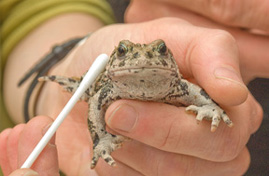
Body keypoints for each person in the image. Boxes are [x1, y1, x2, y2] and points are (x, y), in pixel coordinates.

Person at [0, 0, 267, 175]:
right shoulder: (108, 86)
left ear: (169, 58)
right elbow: (94, 104)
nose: (142, 59)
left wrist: (212, 108)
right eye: (125, 52)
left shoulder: (177, 85)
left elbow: (197, 93)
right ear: (116, 57)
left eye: (160, 51)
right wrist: (100, 138)